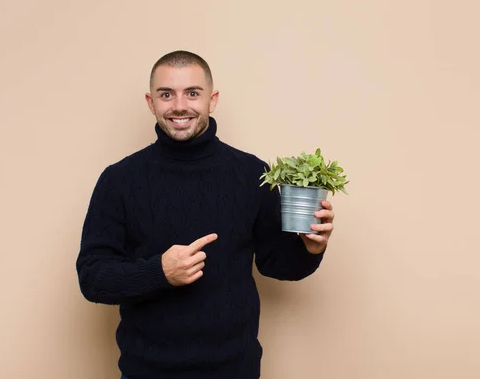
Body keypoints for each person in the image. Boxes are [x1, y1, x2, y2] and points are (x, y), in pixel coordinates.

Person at [76, 50, 335, 378]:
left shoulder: (251, 173)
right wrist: (160, 272)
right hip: (147, 371)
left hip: (234, 370)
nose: (179, 106)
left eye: (192, 93)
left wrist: (312, 249)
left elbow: (278, 265)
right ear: (150, 102)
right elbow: (93, 278)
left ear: (212, 100)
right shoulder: (119, 180)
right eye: (166, 94)